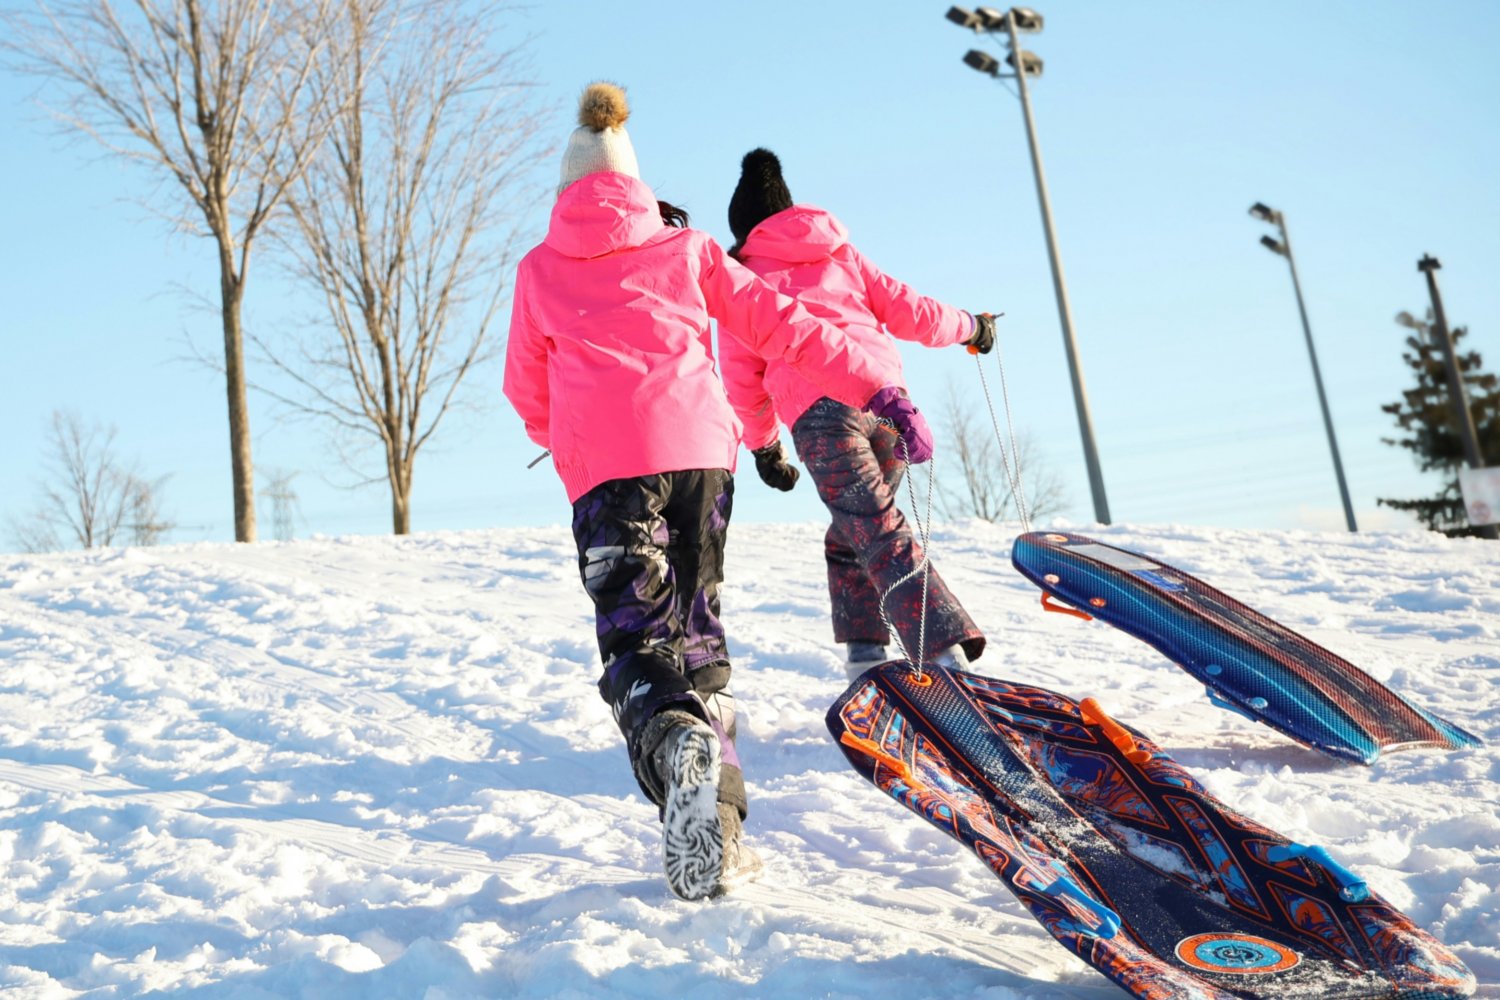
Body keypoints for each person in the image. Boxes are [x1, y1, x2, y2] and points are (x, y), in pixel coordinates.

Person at [502, 85, 932, 901]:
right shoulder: (689, 248)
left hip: (608, 473)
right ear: (635, 185)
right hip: (703, 461)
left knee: (638, 645)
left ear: (566, 194)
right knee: (699, 646)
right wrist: (880, 388)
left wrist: (564, 441)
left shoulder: (540, 267)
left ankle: (672, 746)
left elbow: (525, 391)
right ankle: (723, 832)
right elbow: (784, 325)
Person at [719, 148, 996, 681]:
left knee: (874, 529)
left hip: (822, 417)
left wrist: (764, 448)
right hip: (884, 407)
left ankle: (946, 654)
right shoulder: (842, 255)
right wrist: (973, 327)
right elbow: (913, 310)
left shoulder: (745, 281)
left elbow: (741, 377)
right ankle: (866, 652)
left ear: (744, 230)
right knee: (854, 531)